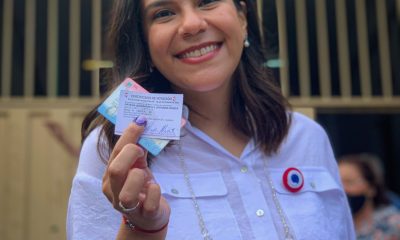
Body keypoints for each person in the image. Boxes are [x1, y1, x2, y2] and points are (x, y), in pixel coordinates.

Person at [67, 0, 355, 239]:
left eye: (207, 1)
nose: (192, 24)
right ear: (145, 44)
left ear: (242, 19)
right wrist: (140, 228)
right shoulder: (112, 150)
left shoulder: (307, 137)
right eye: (164, 13)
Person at [338, 153, 400, 239]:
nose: (342, 189)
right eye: (337, 183)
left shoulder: (393, 225)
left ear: (371, 188)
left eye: (349, 182)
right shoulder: (332, 228)